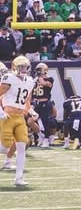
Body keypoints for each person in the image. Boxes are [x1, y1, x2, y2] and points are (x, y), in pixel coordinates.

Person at [0, 56, 35, 186]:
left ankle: (18, 178)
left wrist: (30, 110)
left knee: (21, 147)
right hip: (8, 116)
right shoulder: (9, 78)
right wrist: (1, 111)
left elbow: (26, 100)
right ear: (15, 67)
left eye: (25, 67)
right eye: (21, 67)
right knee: (4, 148)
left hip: (20, 118)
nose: (23, 69)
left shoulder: (30, 81)